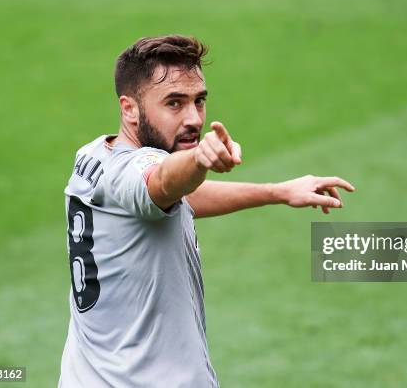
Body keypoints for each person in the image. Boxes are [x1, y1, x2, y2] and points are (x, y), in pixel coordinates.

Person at [58, 35, 354, 387]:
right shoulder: (139, 170)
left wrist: (278, 191)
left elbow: (177, 198)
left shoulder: (94, 156)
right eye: (174, 103)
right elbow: (162, 182)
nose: (194, 118)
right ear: (129, 109)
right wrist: (198, 159)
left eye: (199, 101)